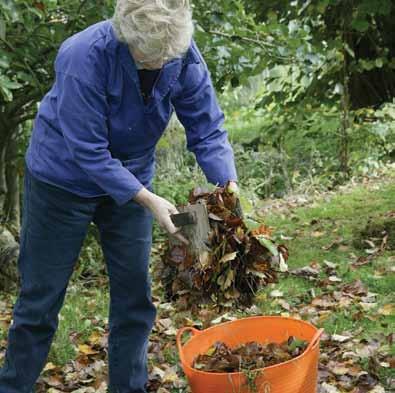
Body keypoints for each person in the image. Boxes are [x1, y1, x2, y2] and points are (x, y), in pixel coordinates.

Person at [0, 0, 239, 392]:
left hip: (133, 175)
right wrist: (148, 200)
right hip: (63, 181)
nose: (161, 65)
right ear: (125, 35)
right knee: (39, 301)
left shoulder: (180, 51)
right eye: (150, 59)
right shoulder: (83, 57)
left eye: (169, 56)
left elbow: (207, 128)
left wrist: (227, 188)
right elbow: (89, 152)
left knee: (134, 297)